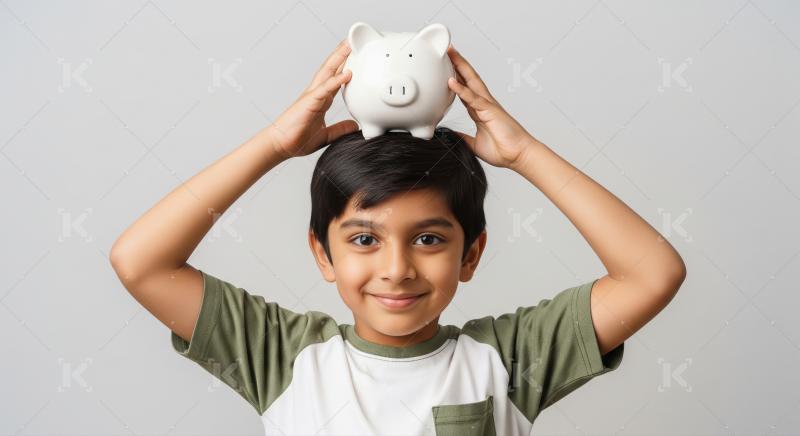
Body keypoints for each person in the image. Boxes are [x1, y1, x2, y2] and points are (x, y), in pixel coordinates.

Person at [110, 39, 686, 435]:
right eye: (364, 240)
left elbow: (651, 274)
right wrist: (275, 145)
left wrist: (524, 153)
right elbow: (141, 262)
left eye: (429, 240)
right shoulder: (280, 357)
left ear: (472, 253)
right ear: (322, 252)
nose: (397, 268)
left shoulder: (510, 361)